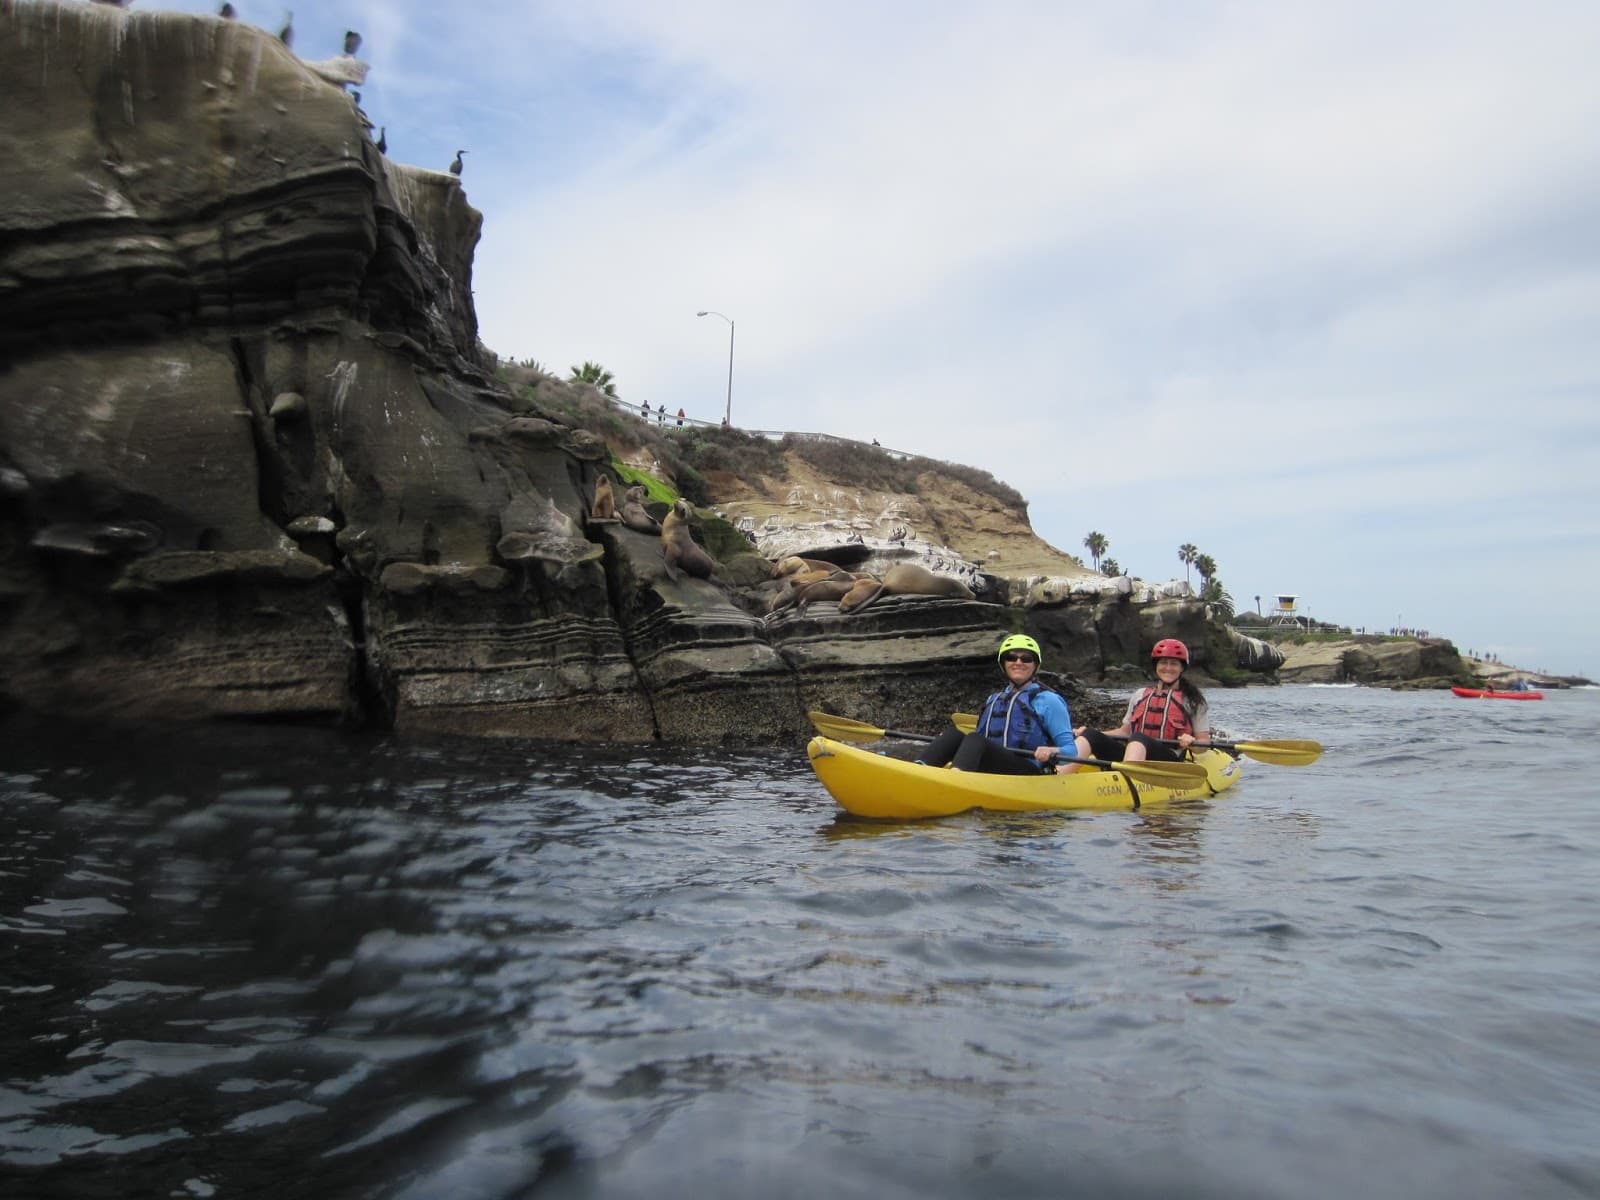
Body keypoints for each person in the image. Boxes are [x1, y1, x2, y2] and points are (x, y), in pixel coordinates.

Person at [916, 635, 1076, 775]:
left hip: (1028, 771)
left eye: (1026, 658)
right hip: (994, 767)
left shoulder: (1049, 700)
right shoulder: (994, 698)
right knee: (954, 735)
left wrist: (1051, 751)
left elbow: (1071, 752)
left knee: (974, 739)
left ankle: (956, 779)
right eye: (1011, 657)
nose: (1018, 662)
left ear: (1035, 665)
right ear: (1003, 664)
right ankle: (919, 771)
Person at [1068, 639, 1210, 765]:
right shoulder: (1140, 695)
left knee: (1138, 738)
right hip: (1135, 753)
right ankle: (1059, 775)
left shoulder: (1193, 701)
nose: (1168, 668)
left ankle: (1128, 782)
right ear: (1156, 666)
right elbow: (1124, 732)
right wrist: (1093, 732)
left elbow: (1204, 744)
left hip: (1168, 761)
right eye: (1163, 663)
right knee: (1090, 735)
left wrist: (1191, 743)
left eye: (1174, 664)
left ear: (1182, 668)